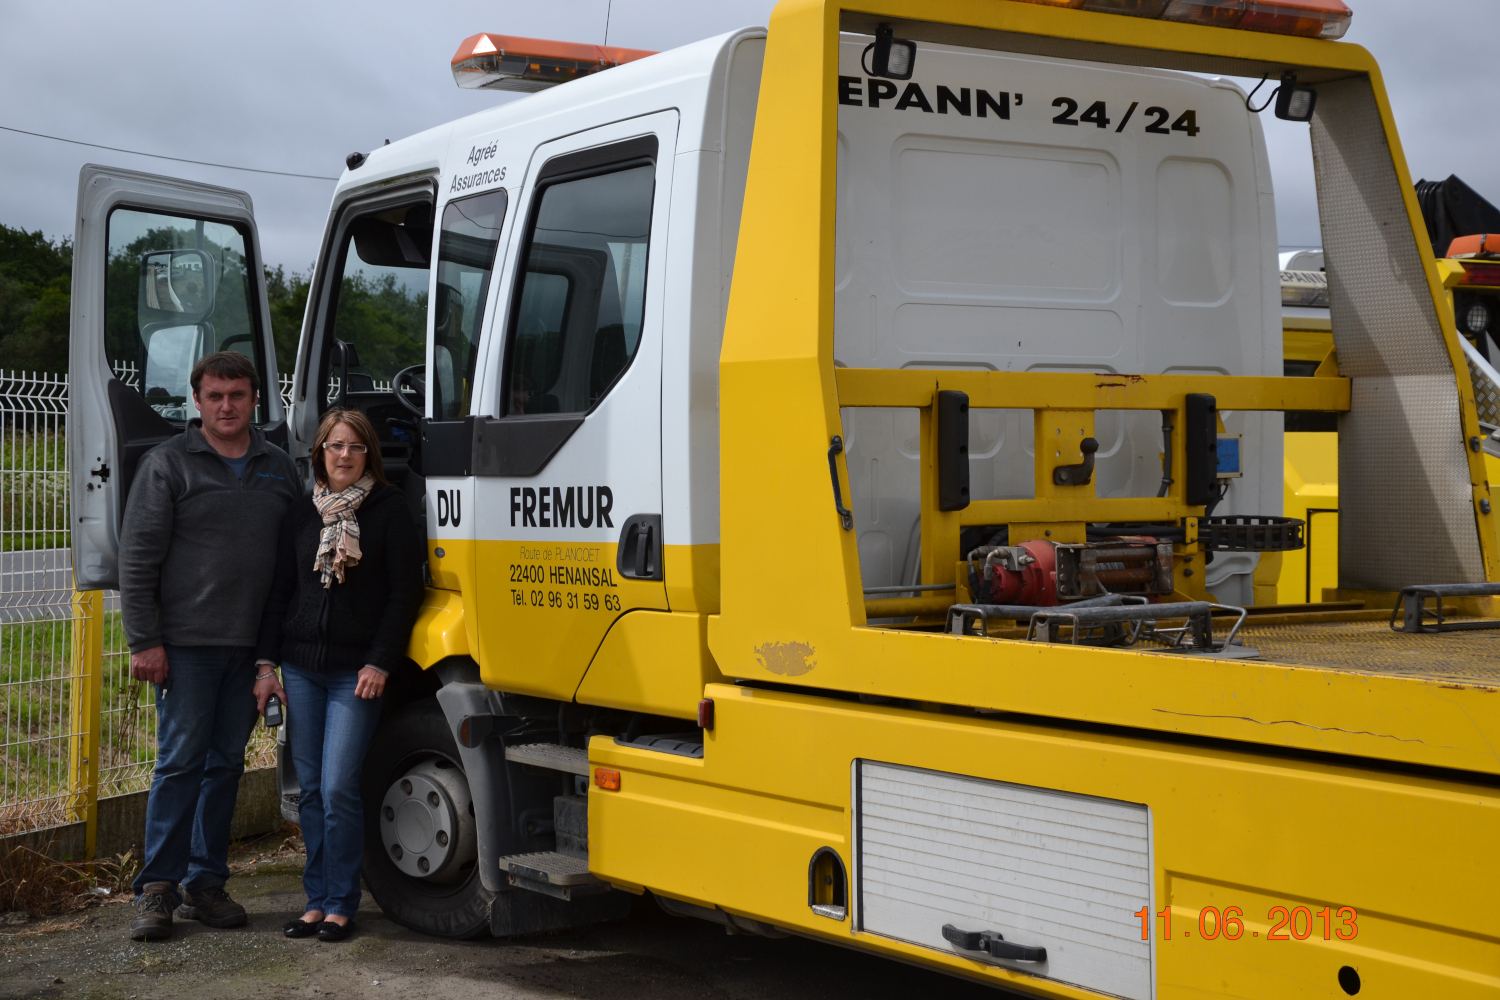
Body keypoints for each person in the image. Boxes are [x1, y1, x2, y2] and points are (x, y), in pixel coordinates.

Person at [121, 351, 300, 941]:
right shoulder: (168, 464)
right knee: (179, 764)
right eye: (216, 395)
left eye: (239, 395)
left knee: (224, 766)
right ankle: (157, 889)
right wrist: (145, 640)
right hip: (187, 648)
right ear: (196, 401)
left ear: (255, 400)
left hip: (250, 649)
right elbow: (138, 558)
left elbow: (286, 570)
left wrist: (271, 656)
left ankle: (205, 884)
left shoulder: (278, 467)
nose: (227, 406)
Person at [256, 408, 424, 942]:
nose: (344, 455)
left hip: (356, 675)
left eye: (354, 446)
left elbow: (404, 595)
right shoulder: (301, 514)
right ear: (319, 453)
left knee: (337, 788)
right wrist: (267, 664)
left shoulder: (390, 510)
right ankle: (316, 900)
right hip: (302, 670)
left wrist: (381, 661)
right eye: (334, 446)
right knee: (309, 792)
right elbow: (279, 591)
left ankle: (342, 904)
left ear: (368, 453)